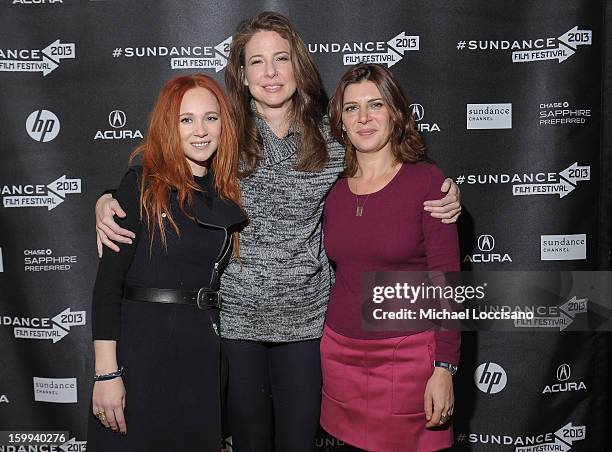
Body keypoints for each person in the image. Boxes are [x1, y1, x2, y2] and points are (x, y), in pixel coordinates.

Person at [93, 12, 461, 452]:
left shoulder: (335, 135)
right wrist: (108, 195)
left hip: (307, 324)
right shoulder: (225, 133)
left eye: (281, 59)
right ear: (242, 76)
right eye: (257, 62)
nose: (270, 73)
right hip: (235, 322)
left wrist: (442, 188)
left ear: (298, 67)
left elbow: (384, 168)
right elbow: (169, 164)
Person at [87, 74, 246, 452]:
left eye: (211, 118)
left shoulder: (227, 191)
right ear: (168, 126)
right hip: (141, 354)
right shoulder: (141, 185)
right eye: (186, 119)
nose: (201, 131)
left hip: (201, 354)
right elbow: (108, 285)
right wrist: (107, 372)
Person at [320, 63, 460, 452]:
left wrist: (444, 368)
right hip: (339, 354)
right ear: (341, 121)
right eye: (351, 108)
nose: (363, 118)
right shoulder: (329, 186)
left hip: (409, 360)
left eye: (375, 105)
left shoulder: (427, 182)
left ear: (396, 113)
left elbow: (446, 282)